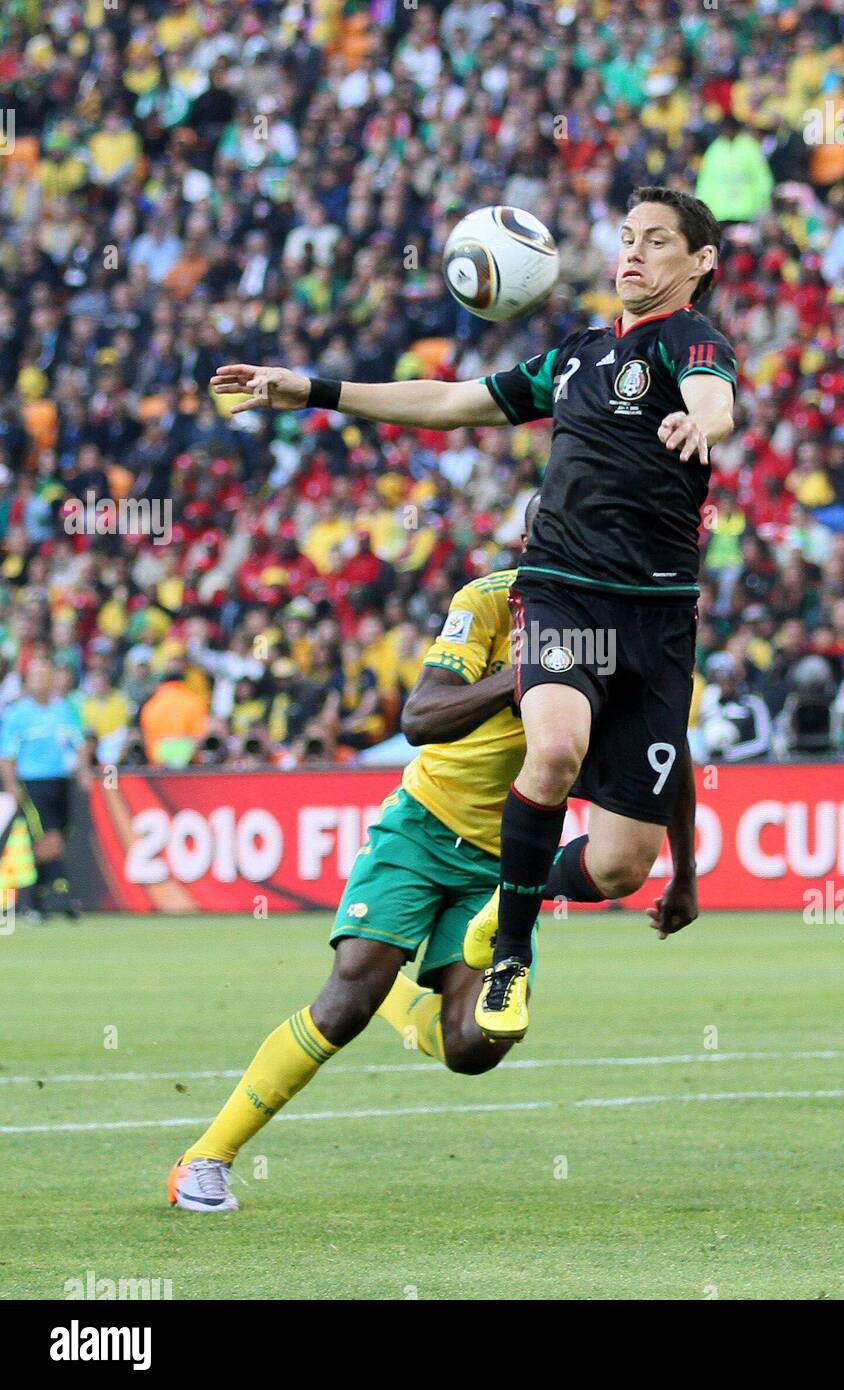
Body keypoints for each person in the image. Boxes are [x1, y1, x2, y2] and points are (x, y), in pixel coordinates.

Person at [211, 185, 734, 1043]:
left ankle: (503, 902)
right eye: (627, 237)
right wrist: (309, 388)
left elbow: (717, 395)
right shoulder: (574, 358)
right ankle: (513, 954)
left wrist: (700, 419)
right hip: (564, 588)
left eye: (658, 242)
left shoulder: (693, 343)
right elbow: (451, 401)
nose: (633, 254)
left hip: (661, 616)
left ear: (700, 262)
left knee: (617, 867)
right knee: (556, 745)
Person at [168, 496, 698, 1212]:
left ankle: (402, 987)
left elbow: (668, 752)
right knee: (343, 1001)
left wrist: (685, 874)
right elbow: (419, 716)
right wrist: (531, 681)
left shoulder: (620, 629)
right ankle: (205, 1159)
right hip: (422, 827)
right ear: (528, 538)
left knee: (476, 1045)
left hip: (509, 859)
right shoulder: (486, 605)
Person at [0, 656, 91, 920]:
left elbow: (80, 742)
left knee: (57, 837)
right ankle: (63, 892)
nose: (41, 681)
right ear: (28, 681)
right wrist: (12, 786)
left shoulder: (64, 709)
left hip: (60, 782)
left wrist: (84, 771)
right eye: (36, 675)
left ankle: (34, 899)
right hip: (32, 783)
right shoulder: (17, 714)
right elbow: (7, 756)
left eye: (45, 675)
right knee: (47, 837)